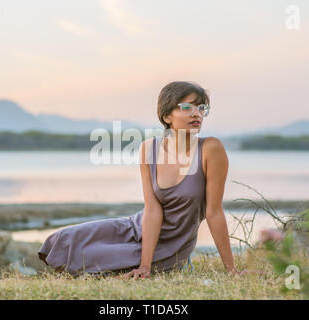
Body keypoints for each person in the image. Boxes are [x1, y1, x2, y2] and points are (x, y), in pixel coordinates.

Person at [37, 80, 245, 279]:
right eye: (187, 107)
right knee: (67, 238)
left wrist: (232, 270)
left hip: (172, 244)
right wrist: (144, 265)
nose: (196, 114)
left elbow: (214, 212)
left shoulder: (211, 148)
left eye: (201, 108)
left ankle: (152, 262)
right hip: (136, 227)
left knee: (90, 257)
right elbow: (152, 209)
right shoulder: (148, 148)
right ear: (166, 116)